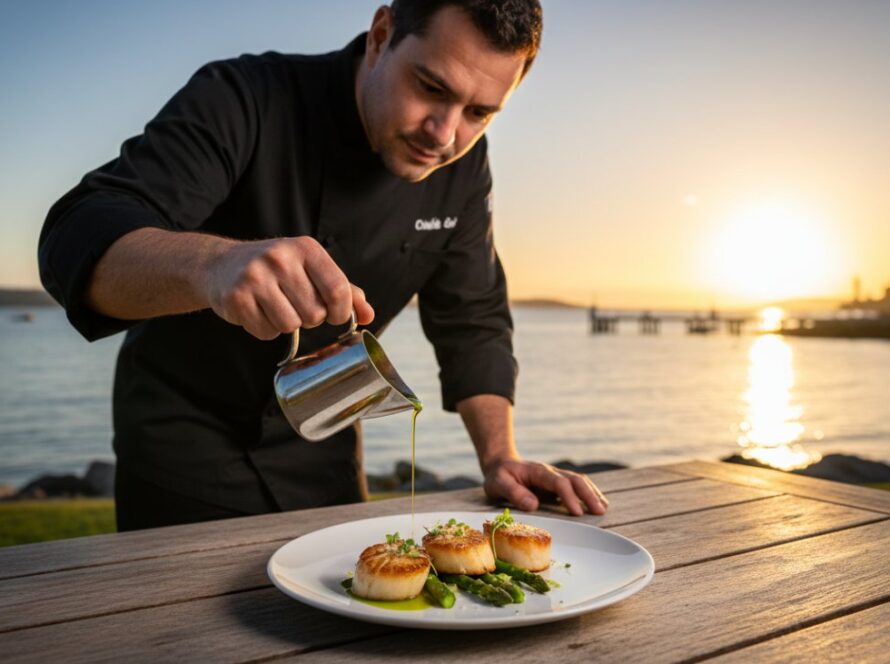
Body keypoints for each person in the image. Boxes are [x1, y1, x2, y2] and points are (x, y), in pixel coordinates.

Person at [39, 0, 609, 531]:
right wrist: (214, 266)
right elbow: (77, 235)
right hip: (182, 444)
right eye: (431, 87)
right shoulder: (245, 95)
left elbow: (473, 320)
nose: (444, 134)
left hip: (325, 446)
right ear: (381, 35)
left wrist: (499, 457)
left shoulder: (463, 166)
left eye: (479, 112)